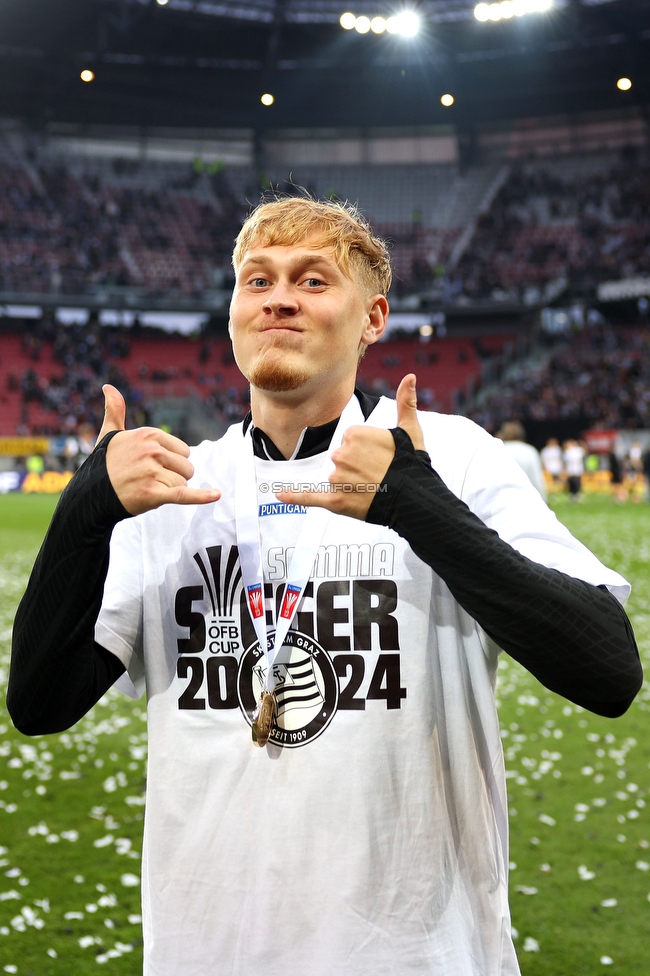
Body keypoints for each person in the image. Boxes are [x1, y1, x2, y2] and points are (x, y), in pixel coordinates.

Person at [9, 198, 641, 976]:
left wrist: (422, 506)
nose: (279, 297)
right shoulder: (177, 485)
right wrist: (82, 514)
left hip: (419, 958)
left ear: (374, 317)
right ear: (235, 311)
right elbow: (40, 704)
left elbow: (609, 669)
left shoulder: (455, 457)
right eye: (257, 280)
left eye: (313, 279)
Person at [496, 420, 547, 500]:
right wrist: (543, 500)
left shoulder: (497, 450)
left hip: (502, 501)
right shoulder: (530, 451)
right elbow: (536, 479)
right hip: (526, 500)